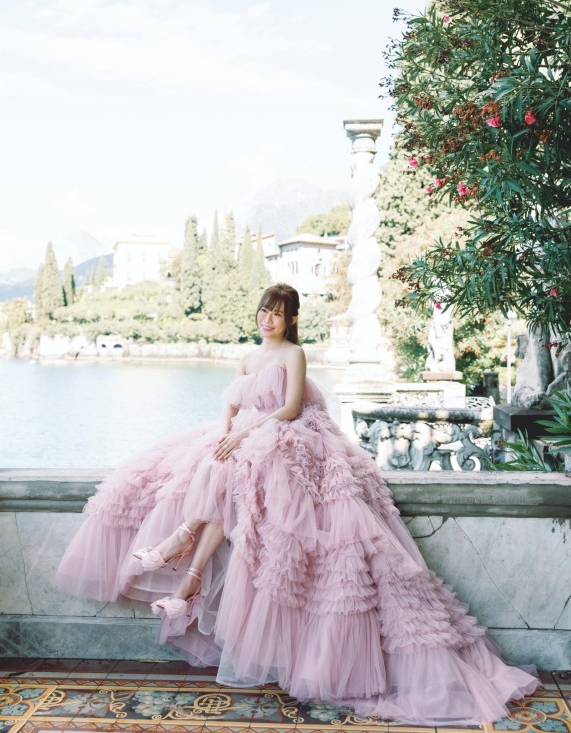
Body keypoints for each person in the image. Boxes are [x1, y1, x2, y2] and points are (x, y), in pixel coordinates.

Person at [55, 283, 538, 725]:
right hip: (243, 437)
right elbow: (226, 410)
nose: (269, 319)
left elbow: (287, 408)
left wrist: (243, 434)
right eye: (265, 310)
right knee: (213, 468)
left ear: (290, 320)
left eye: (278, 314)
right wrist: (223, 437)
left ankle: (182, 557)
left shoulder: (294, 353)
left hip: (285, 435)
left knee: (243, 477)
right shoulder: (246, 359)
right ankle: (184, 573)